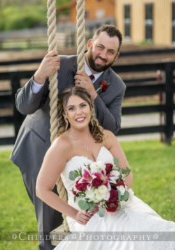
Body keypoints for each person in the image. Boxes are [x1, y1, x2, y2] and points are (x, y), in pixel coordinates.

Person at [10, 25, 126, 250]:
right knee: (50, 219)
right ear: (90, 43)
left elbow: (113, 126)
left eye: (110, 52)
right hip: (40, 148)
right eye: (100, 47)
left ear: (117, 55)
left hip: (78, 160)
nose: (103, 55)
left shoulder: (116, 85)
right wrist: (40, 75)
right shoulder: (60, 64)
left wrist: (94, 95)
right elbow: (24, 106)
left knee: (83, 218)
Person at [36, 86, 174, 250]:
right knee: (126, 235)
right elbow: (42, 189)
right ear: (65, 115)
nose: (79, 112)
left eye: (83, 105)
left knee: (153, 227)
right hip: (87, 215)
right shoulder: (62, 145)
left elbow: (127, 176)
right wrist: (75, 214)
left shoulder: (106, 136)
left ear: (90, 107)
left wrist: (114, 197)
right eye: (71, 108)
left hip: (120, 204)